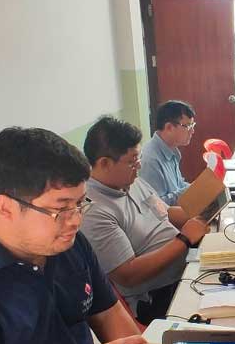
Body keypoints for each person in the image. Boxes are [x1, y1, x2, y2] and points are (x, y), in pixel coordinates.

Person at [0, 127, 161, 344]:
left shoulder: (67, 243)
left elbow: (109, 315)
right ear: (6, 208)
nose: (76, 221)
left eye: (80, 204)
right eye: (62, 209)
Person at [81, 116, 209, 325]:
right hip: (158, 295)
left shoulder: (131, 181)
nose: (139, 165)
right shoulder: (94, 212)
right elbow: (128, 274)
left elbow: (166, 212)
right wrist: (184, 239)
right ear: (104, 163)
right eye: (132, 161)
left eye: (138, 157)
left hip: (185, 266)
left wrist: (206, 215)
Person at [141, 100, 197, 205]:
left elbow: (179, 186)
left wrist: (198, 188)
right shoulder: (150, 160)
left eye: (193, 125)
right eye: (188, 126)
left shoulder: (171, 150)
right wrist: (192, 190)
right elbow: (155, 206)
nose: (192, 131)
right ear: (169, 127)